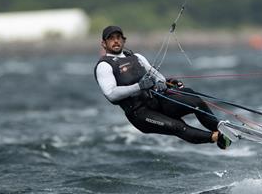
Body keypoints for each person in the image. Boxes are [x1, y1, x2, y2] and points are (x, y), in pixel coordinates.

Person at [94, 25, 230, 148]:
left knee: (193, 98)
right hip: (140, 114)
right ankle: (217, 138)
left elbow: (156, 75)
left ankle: (218, 128)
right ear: (103, 43)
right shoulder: (104, 66)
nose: (116, 41)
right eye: (111, 38)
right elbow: (111, 94)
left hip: (156, 101)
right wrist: (138, 86)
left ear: (124, 40)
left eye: (118, 38)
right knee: (178, 126)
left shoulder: (137, 57)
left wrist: (165, 82)